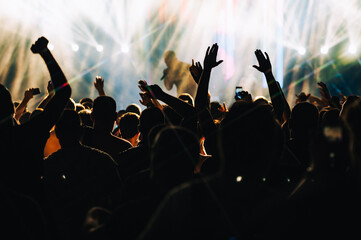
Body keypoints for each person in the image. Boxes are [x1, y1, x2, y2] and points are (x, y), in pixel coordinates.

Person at [43, 110, 122, 240]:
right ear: (81, 131)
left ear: (57, 133)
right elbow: (117, 200)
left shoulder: (47, 166)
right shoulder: (103, 160)